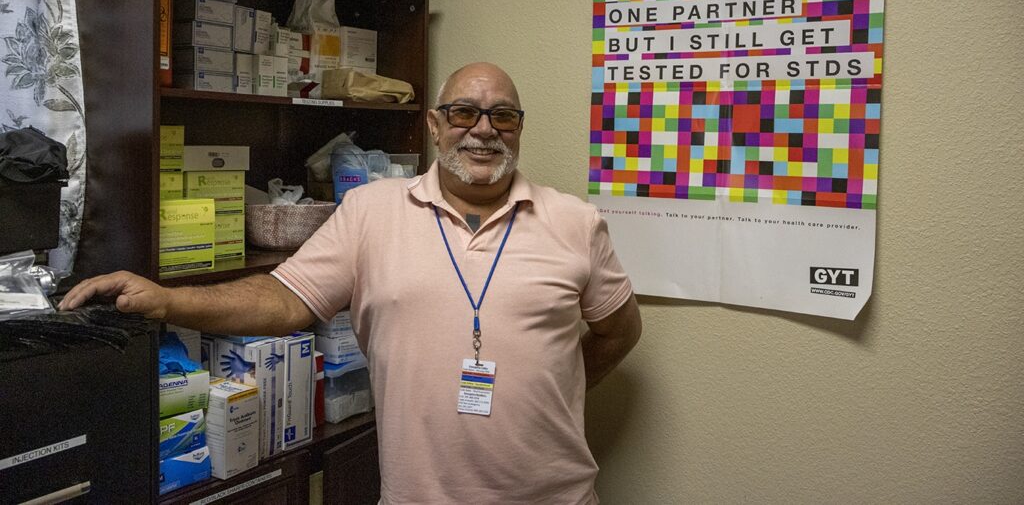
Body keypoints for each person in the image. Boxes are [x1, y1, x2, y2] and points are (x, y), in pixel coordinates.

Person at [60, 62, 642, 504]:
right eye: (464, 112)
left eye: (503, 116)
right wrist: (167, 300)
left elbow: (618, 331)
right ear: (436, 125)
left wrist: (547, 392)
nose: (483, 130)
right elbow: (284, 299)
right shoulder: (370, 210)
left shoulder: (575, 222)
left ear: (519, 130)